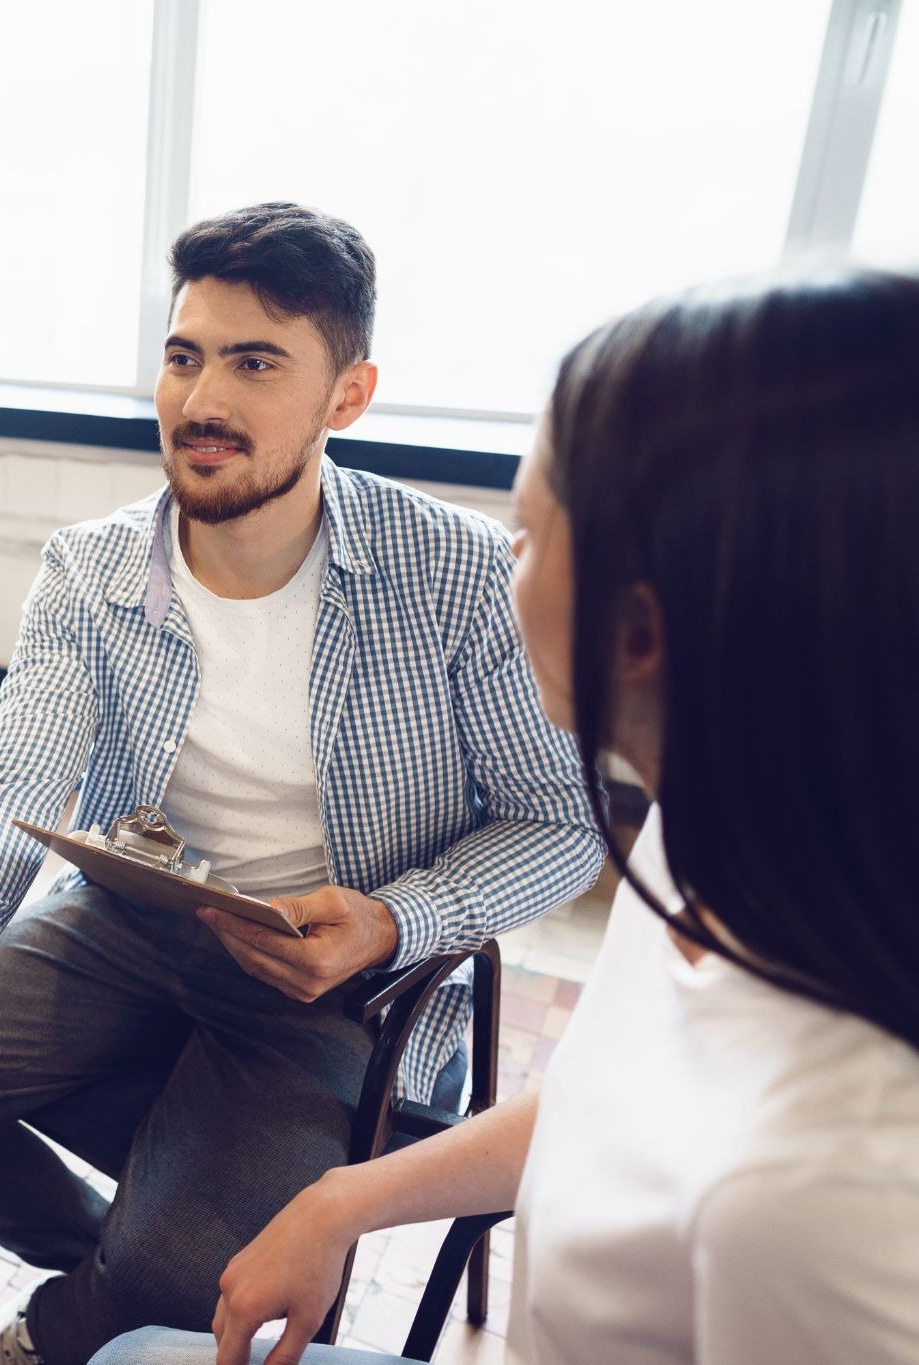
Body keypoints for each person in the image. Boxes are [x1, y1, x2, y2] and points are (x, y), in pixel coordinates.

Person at [90, 269, 919, 1365]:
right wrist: (343, 1199)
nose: (501, 561)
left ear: (633, 633)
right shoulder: (705, 831)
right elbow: (604, 1099)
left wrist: (390, 921)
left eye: (524, 533)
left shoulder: (817, 1202)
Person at [0, 204, 606, 1365]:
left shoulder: (451, 573)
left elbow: (558, 823)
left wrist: (394, 919)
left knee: (173, 1273)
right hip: (135, 917)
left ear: (344, 394)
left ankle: (96, 1311)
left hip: (336, 981)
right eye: (183, 355)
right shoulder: (89, 568)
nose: (202, 401)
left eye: (255, 363)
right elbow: (5, 785)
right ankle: (119, 1282)